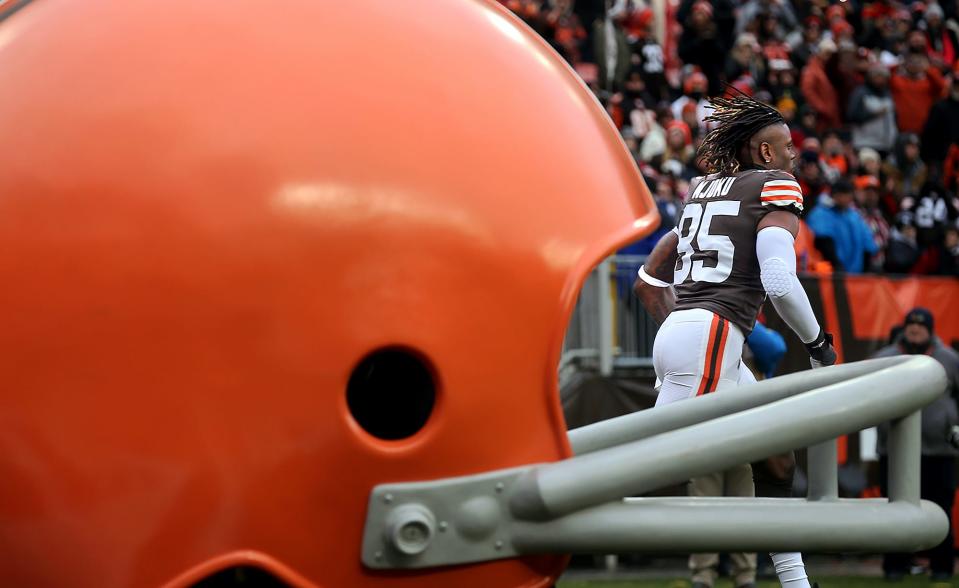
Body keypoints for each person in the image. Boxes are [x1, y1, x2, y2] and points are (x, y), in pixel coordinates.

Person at [633, 94, 837, 588]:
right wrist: (816, 344)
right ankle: (522, 513)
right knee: (629, 467)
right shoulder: (773, 186)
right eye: (785, 146)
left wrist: (680, 327)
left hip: (701, 336)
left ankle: (795, 582)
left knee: (775, 457)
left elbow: (647, 282)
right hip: (710, 334)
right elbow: (781, 282)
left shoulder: (704, 189)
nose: (793, 155)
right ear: (764, 154)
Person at [874, 308, 959, 582]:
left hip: (939, 450)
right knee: (895, 509)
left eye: (921, 326)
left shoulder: (949, 359)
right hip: (896, 449)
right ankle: (895, 567)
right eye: (911, 325)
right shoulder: (885, 359)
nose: (915, 330)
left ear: (931, 330)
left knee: (941, 508)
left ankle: (943, 567)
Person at [805, 178, 878, 273]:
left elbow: (868, 245)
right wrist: (837, 267)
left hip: (855, 277)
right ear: (836, 195)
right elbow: (824, 243)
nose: (849, 199)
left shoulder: (854, 215)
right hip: (828, 275)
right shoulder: (820, 214)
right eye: (846, 195)